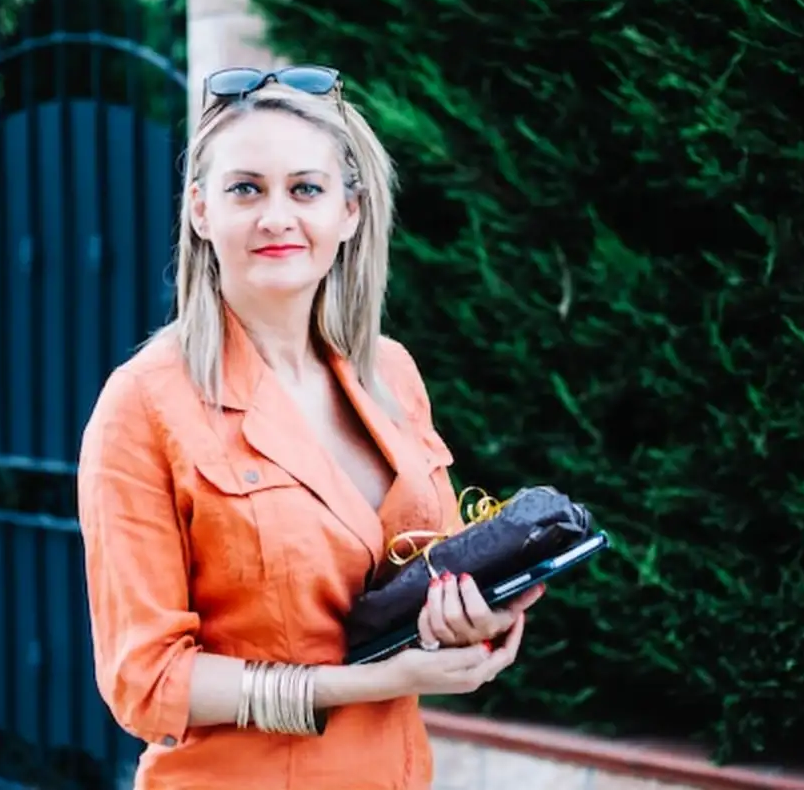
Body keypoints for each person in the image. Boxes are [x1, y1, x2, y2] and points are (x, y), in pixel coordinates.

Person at [77, 65, 546, 790]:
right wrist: (365, 682)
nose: (276, 217)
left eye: (305, 189)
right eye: (245, 189)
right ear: (200, 211)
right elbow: (144, 681)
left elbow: (425, 579)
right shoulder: (143, 404)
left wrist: (482, 616)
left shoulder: (389, 374)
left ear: (349, 213)